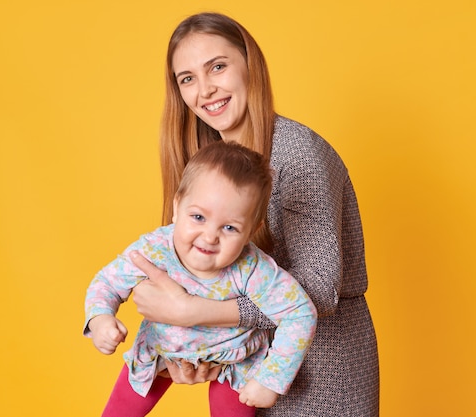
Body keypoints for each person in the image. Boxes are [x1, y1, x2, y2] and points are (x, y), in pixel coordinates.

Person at [129, 12, 380, 416]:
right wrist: (192, 349)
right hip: (249, 372)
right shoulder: (211, 165)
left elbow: (318, 288)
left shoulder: (297, 154)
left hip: (320, 374)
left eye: (218, 67)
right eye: (187, 78)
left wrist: (198, 312)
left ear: (251, 65)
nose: (205, 89)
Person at [84, 141, 317, 417]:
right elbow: (107, 282)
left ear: (250, 232)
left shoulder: (253, 268)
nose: (209, 237)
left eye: (229, 227)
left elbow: (300, 312)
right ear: (177, 207)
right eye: (198, 217)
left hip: (233, 361)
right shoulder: (154, 249)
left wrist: (271, 379)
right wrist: (100, 319)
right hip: (160, 351)